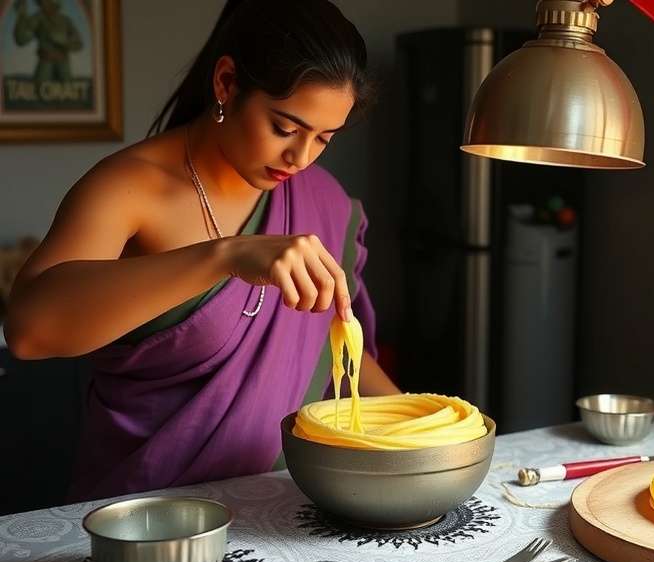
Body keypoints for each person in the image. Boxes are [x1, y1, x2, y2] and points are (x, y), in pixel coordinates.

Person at [5, 0, 400, 502]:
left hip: (279, 508)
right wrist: (224, 256)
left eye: (324, 138)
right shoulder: (130, 189)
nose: (300, 158)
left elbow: (331, 340)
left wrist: (427, 425)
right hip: (148, 514)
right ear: (226, 83)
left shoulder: (321, 199)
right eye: (284, 128)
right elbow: (30, 331)